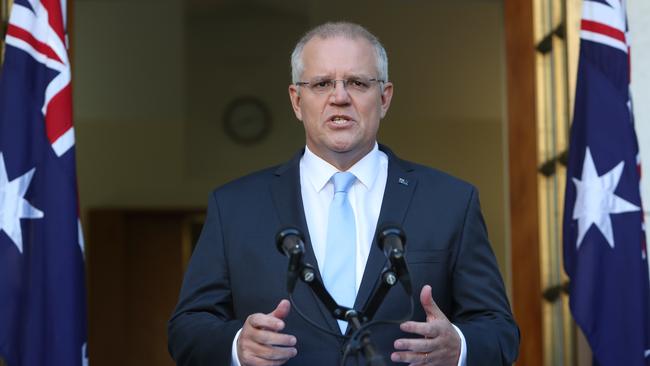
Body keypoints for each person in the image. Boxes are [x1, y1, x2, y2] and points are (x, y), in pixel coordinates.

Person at [168, 22, 519, 366]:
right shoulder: (234, 207)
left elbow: (500, 331)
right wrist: (237, 346)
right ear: (296, 100)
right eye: (321, 84)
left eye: (357, 83)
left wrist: (458, 347)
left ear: (384, 98)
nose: (339, 97)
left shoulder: (450, 202)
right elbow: (187, 330)